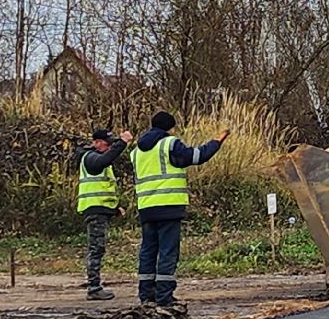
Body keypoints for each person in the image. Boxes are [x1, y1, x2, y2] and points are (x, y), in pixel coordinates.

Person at [131, 110, 228, 308]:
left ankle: (146, 295)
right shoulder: (169, 143)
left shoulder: (136, 151)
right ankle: (164, 296)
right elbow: (197, 156)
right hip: (168, 206)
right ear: (170, 128)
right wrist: (217, 141)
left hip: (146, 207)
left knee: (148, 251)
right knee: (168, 251)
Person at [76, 126, 133, 300]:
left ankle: (94, 286)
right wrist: (122, 143)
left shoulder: (96, 157)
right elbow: (104, 161)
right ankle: (93, 288)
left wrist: (114, 209)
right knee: (96, 249)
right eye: (106, 144)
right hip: (94, 210)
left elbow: (102, 188)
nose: (108, 148)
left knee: (97, 248)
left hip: (99, 209)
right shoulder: (91, 158)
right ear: (97, 143)